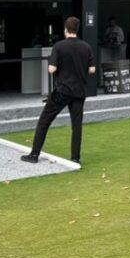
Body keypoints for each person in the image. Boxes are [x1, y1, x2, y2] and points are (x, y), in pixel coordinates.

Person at [22, 16, 94, 165]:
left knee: (44, 121)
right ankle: (75, 157)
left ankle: (34, 154)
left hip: (62, 90)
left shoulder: (59, 46)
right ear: (77, 29)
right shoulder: (86, 46)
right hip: (79, 91)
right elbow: (92, 69)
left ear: (66, 29)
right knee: (76, 125)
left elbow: (52, 69)